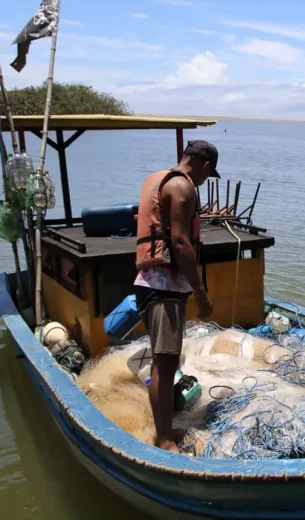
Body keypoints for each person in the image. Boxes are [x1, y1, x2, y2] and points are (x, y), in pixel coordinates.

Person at [134, 140, 219, 452]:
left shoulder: (155, 179)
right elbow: (181, 243)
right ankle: (165, 437)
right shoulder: (183, 188)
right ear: (205, 165)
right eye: (208, 175)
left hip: (147, 281)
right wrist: (201, 292)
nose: (205, 180)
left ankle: (164, 422)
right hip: (165, 287)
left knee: (164, 361)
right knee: (166, 364)